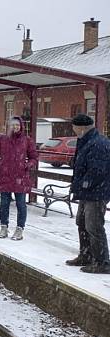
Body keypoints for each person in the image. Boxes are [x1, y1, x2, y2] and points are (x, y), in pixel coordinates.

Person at [66, 114, 110, 273]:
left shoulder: (98, 143)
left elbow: (97, 170)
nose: (73, 130)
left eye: (74, 127)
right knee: (82, 222)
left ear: (82, 127)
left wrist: (84, 185)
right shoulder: (86, 141)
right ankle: (86, 255)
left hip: (97, 192)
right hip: (88, 192)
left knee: (94, 225)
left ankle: (102, 262)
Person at [0, 117, 38, 240]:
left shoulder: (27, 140)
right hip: (5, 176)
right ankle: (4, 227)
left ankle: (19, 229)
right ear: (8, 126)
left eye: (17, 125)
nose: (15, 127)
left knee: (21, 204)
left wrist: (27, 165)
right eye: (12, 125)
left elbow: (34, 157)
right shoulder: (1, 139)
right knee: (4, 203)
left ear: (21, 126)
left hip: (20, 178)